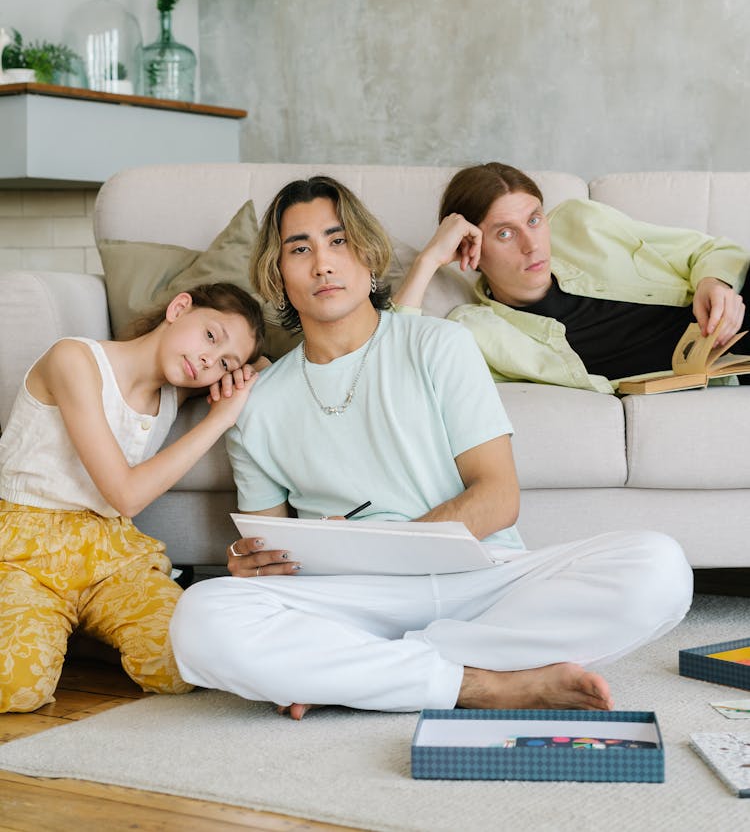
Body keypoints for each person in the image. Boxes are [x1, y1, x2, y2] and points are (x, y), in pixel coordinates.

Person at [170, 176, 692, 718]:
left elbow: (497, 499)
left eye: (338, 241)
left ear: (369, 254)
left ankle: (359, 673)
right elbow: (268, 550)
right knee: (201, 616)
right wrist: (247, 561)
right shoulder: (257, 404)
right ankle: (480, 685)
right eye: (300, 249)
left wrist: (389, 549)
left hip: (484, 580)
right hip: (355, 600)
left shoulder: (441, 345)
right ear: (277, 275)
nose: (323, 263)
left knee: (660, 566)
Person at [0, 282, 265, 714]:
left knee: (183, 668)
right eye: (210, 337)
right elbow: (125, 495)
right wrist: (219, 421)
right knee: (17, 689)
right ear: (179, 308)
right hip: (26, 553)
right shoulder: (75, 359)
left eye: (223, 363)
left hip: (110, 555)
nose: (208, 360)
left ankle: (78, 635)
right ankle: (49, 627)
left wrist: (247, 369)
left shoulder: (173, 390)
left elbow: (263, 365)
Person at [393, 162, 750, 393]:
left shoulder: (581, 224)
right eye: (505, 233)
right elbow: (396, 370)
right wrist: (428, 260)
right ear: (470, 247)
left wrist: (714, 283)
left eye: (534, 220)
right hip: (731, 370)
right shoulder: (480, 331)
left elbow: (712, 250)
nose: (532, 245)